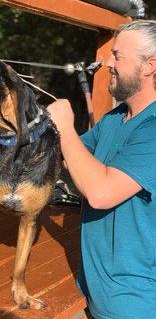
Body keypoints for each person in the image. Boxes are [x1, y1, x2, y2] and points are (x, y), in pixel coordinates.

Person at [47, 19, 156, 319]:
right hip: (94, 295)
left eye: (118, 55)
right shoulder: (115, 118)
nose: (107, 62)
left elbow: (100, 193)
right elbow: (72, 155)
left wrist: (65, 127)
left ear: (149, 66)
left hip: (135, 307)